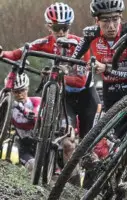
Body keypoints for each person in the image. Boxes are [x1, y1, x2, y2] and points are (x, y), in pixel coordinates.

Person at [0, 3, 100, 163]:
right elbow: (21, 51)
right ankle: (62, 176)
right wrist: (3, 53)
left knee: (87, 147)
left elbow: (80, 81)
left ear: (70, 26)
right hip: (66, 98)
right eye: (56, 28)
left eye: (65, 28)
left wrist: (56, 76)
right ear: (49, 27)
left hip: (86, 97)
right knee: (68, 141)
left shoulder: (81, 44)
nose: (60, 32)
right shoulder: (47, 42)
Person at [71, 0, 127, 112]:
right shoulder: (91, 34)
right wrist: (66, 67)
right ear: (97, 21)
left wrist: (105, 68)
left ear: (121, 18)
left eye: (115, 19)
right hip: (110, 90)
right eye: (106, 21)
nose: (111, 26)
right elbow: (72, 59)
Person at [4, 73, 40, 172]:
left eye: (22, 90)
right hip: (24, 145)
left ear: (27, 89)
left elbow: (36, 116)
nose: (20, 94)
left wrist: (21, 108)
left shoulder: (36, 101)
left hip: (41, 144)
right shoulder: (8, 105)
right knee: (33, 167)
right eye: (16, 92)